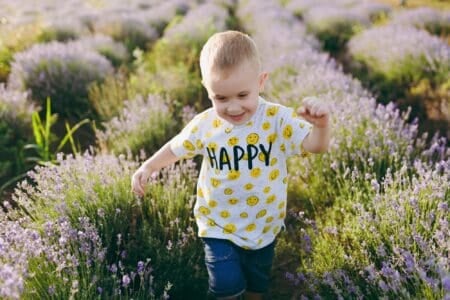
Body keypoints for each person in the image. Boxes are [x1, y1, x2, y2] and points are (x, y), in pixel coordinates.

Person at [131, 30, 331, 300]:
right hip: (218, 225)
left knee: (256, 285)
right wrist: (149, 166)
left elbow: (315, 146)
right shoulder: (205, 124)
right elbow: (177, 147)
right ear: (207, 89)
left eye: (242, 95)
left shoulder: (276, 119)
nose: (233, 107)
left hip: (264, 225)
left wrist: (321, 126)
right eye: (221, 99)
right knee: (226, 287)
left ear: (261, 82)